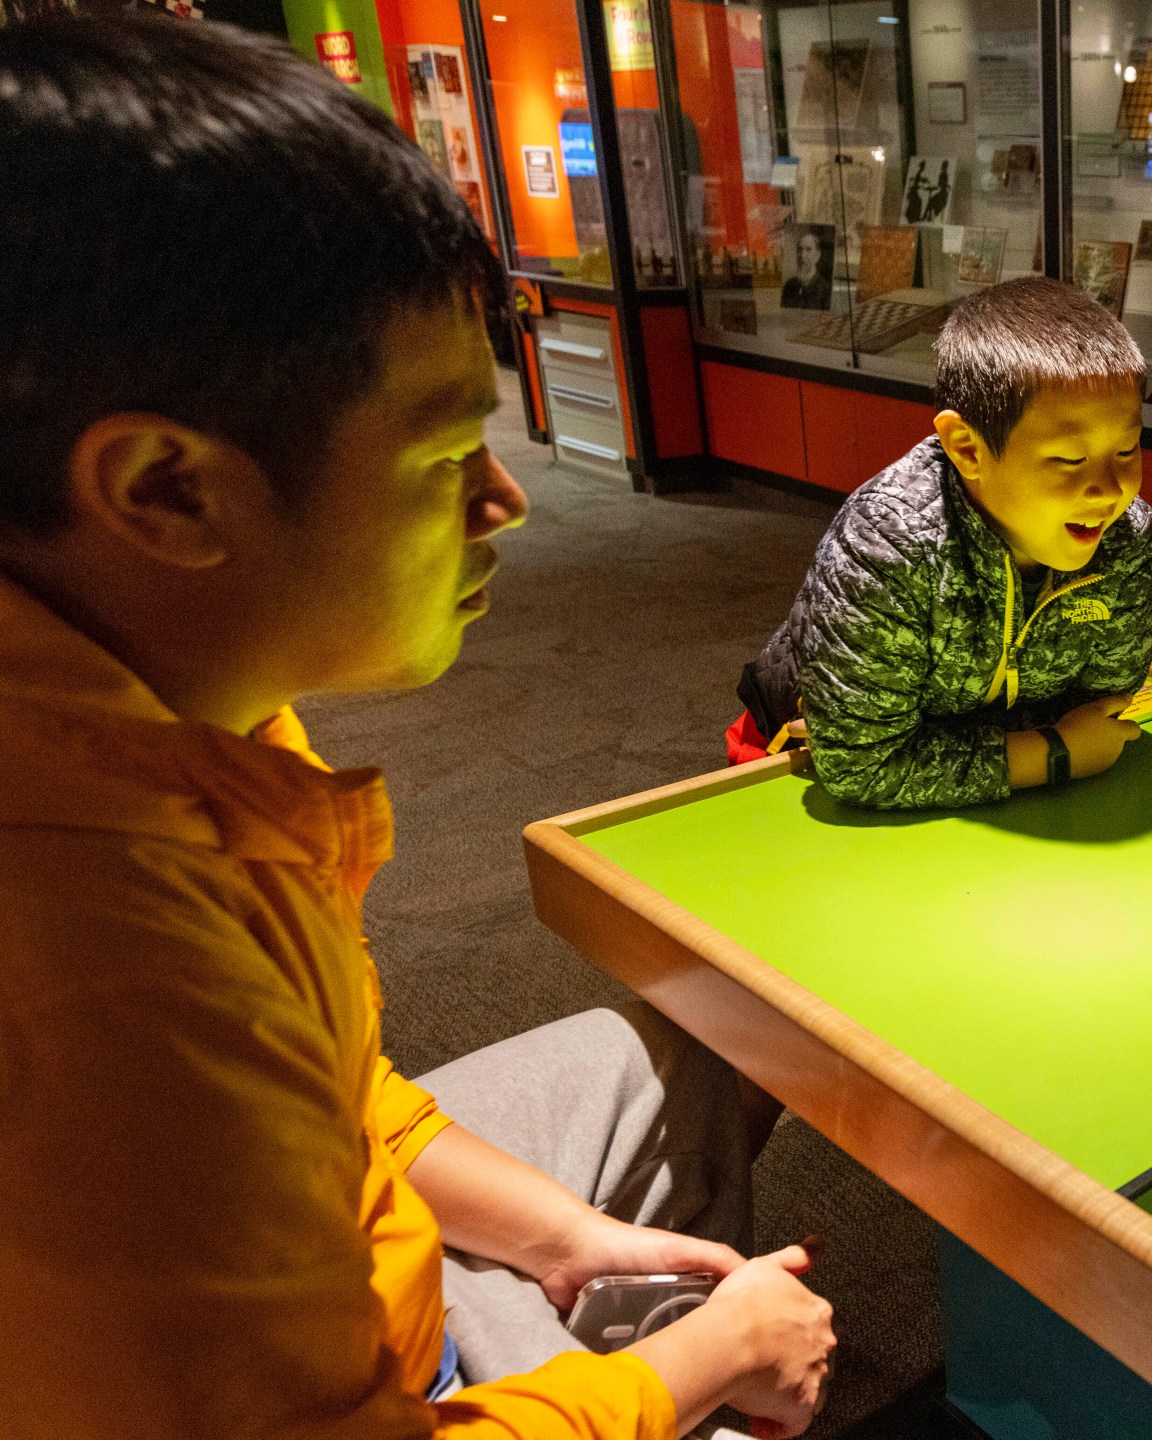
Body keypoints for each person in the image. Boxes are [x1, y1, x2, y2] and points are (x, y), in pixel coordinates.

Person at [0, 16, 836, 1437]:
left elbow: (343, 1093)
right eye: (448, 452)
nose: (503, 502)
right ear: (165, 491)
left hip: (380, 1259)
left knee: (698, 1036)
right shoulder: (109, 978)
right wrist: (695, 1367)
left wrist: (565, 1239)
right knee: (734, 1336)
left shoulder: (177, 706)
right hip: (404, 1387)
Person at [728, 276, 1152, 808]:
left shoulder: (1126, 535)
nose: (1110, 491)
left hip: (967, 776)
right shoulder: (888, 546)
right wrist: (1053, 752)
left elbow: (1101, 707)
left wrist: (1031, 741)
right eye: (1070, 459)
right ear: (966, 447)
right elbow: (862, 766)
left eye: (1128, 450)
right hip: (786, 769)